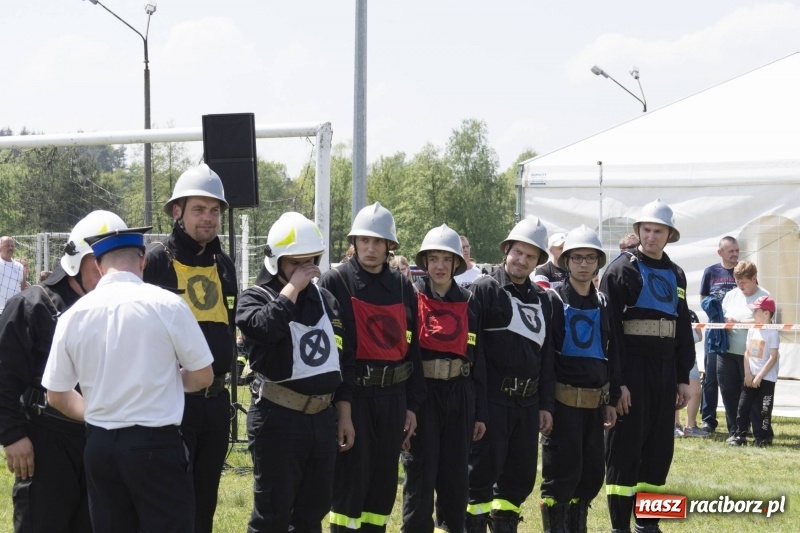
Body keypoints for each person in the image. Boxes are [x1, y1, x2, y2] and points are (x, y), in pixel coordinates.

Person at [43, 221, 215, 533]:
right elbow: (203, 376)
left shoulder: (72, 316)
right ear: (142, 260)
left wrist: (98, 412)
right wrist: (167, 383)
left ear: (97, 264)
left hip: (100, 445)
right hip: (155, 443)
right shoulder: (167, 304)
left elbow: (55, 394)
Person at [235, 212, 355, 532]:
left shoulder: (327, 301)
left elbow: (343, 362)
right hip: (278, 418)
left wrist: (343, 415)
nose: (303, 269)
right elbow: (264, 329)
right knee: (272, 515)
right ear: (276, 261)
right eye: (294, 262)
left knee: (312, 512)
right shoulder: (255, 298)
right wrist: (291, 289)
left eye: (309, 261)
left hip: (321, 420)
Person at [0, 210, 116, 532]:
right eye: (101, 260)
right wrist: (12, 436)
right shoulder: (31, 307)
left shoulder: (117, 310)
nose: (110, 270)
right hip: (45, 439)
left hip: (99, 441)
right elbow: (3, 375)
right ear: (77, 260)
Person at [318, 201, 425, 532]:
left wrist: (411, 406)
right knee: (350, 488)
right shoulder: (334, 281)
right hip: (355, 398)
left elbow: (413, 349)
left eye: (378, 242)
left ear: (390, 246)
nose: (370, 247)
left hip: (393, 399)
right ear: (354, 243)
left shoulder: (402, 285)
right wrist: (341, 410)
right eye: (364, 240)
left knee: (381, 492)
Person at [143, 163, 238, 533]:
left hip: (215, 403)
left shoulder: (224, 264)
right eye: (199, 209)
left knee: (205, 500)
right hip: (171, 400)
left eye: (215, 211)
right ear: (177, 211)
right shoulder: (155, 259)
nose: (208, 218)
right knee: (169, 498)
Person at [600, 199, 694, 533]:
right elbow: (609, 332)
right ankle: (619, 527)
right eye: (646, 230)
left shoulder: (676, 273)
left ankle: (649, 524)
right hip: (632, 372)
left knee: (659, 451)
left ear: (669, 234)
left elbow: (682, 328)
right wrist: (618, 383)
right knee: (625, 451)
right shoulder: (619, 270)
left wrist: (683, 378)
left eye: (658, 231)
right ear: (638, 231)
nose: (651, 237)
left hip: (665, 371)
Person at [465, 215, 555, 533]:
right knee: (480, 476)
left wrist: (545, 404)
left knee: (518, 478)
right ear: (506, 251)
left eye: (530, 256)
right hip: (492, 400)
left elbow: (546, 357)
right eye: (518, 252)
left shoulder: (543, 300)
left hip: (527, 404)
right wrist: (477, 409)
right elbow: (472, 356)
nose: (522, 260)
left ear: (538, 261)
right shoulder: (483, 290)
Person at [401, 224, 487, 533]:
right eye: (433, 258)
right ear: (424, 263)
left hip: (460, 395)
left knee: (455, 474)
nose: (439, 266)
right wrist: (408, 407)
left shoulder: (470, 300)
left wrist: (479, 412)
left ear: (456, 264)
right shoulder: (410, 298)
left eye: (445, 259)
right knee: (421, 471)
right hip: (423, 396)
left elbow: (478, 361)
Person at [539, 225, 619, 533]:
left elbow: (612, 353)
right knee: (562, 474)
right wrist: (546, 405)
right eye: (576, 258)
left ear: (598, 262)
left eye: (589, 258)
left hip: (595, 405)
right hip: (563, 404)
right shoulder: (554, 299)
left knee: (590, 476)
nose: (583, 264)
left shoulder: (604, 303)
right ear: (567, 261)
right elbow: (546, 357)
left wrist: (611, 399)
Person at [719, 261, 769, 438]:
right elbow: (720, 318)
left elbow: (765, 322)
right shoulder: (731, 295)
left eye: (744, 282)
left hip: (753, 356)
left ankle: (759, 433)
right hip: (727, 352)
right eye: (737, 281)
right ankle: (736, 431)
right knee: (729, 394)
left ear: (754, 278)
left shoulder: (765, 297)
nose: (740, 286)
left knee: (752, 396)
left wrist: (738, 323)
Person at [699, 236, 739, 433]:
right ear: (720, 252)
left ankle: (739, 420)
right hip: (715, 332)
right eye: (731, 251)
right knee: (711, 377)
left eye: (736, 250)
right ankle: (708, 420)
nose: (735, 254)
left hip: (737, 333)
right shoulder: (711, 272)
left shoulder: (744, 271)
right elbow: (703, 298)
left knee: (735, 378)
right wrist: (713, 311)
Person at [729, 296, 779, 447]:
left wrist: (760, 376)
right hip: (750, 376)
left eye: (756, 310)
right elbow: (747, 352)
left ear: (766, 313)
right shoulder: (752, 329)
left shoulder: (773, 332)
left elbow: (773, 357)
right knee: (743, 407)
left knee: (763, 410)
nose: (753, 313)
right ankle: (740, 435)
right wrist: (748, 373)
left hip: (766, 378)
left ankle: (762, 437)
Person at [674, 310, 706, 437]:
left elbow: (700, 336)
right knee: (675, 393)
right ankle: (675, 425)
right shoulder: (670, 311)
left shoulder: (692, 315)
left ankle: (691, 426)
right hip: (674, 357)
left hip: (690, 357)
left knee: (696, 391)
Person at [0, 236, 26, 310]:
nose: (10, 248)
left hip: (14, 310)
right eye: (7, 245)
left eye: (12, 246)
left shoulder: (20, 266)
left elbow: (23, 288)